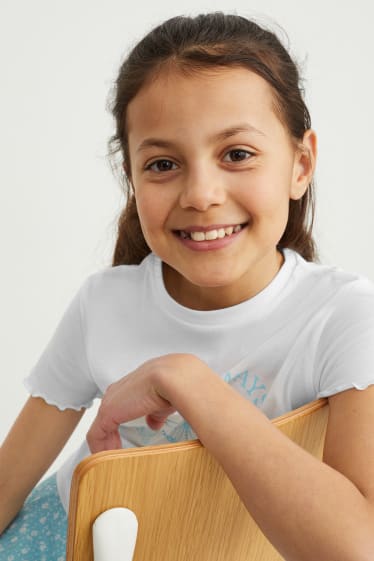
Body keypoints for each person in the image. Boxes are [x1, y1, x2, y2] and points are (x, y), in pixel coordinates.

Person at [1, 11, 374, 561]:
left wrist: (184, 379)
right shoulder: (103, 304)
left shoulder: (343, 315)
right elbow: (8, 483)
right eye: (163, 163)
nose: (201, 194)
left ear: (301, 163)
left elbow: (354, 546)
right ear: (131, 178)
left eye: (237, 154)